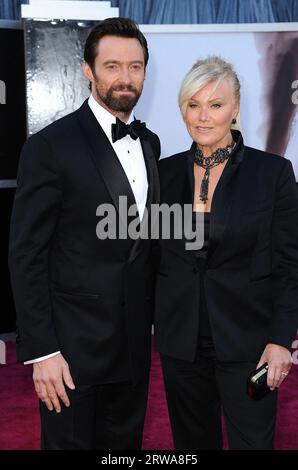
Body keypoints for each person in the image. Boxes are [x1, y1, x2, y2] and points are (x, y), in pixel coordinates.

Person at [8, 17, 160, 450]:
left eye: (135, 66)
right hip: (71, 352)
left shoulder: (150, 144)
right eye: (112, 66)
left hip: (132, 348)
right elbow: (26, 254)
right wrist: (42, 352)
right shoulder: (50, 146)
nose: (125, 78)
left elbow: (145, 244)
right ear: (88, 71)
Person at [154, 56, 298, 450]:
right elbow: (149, 258)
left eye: (215, 105)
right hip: (181, 344)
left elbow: (291, 266)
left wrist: (281, 340)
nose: (203, 117)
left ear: (235, 108)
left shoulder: (272, 174)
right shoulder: (161, 175)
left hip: (249, 343)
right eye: (193, 104)